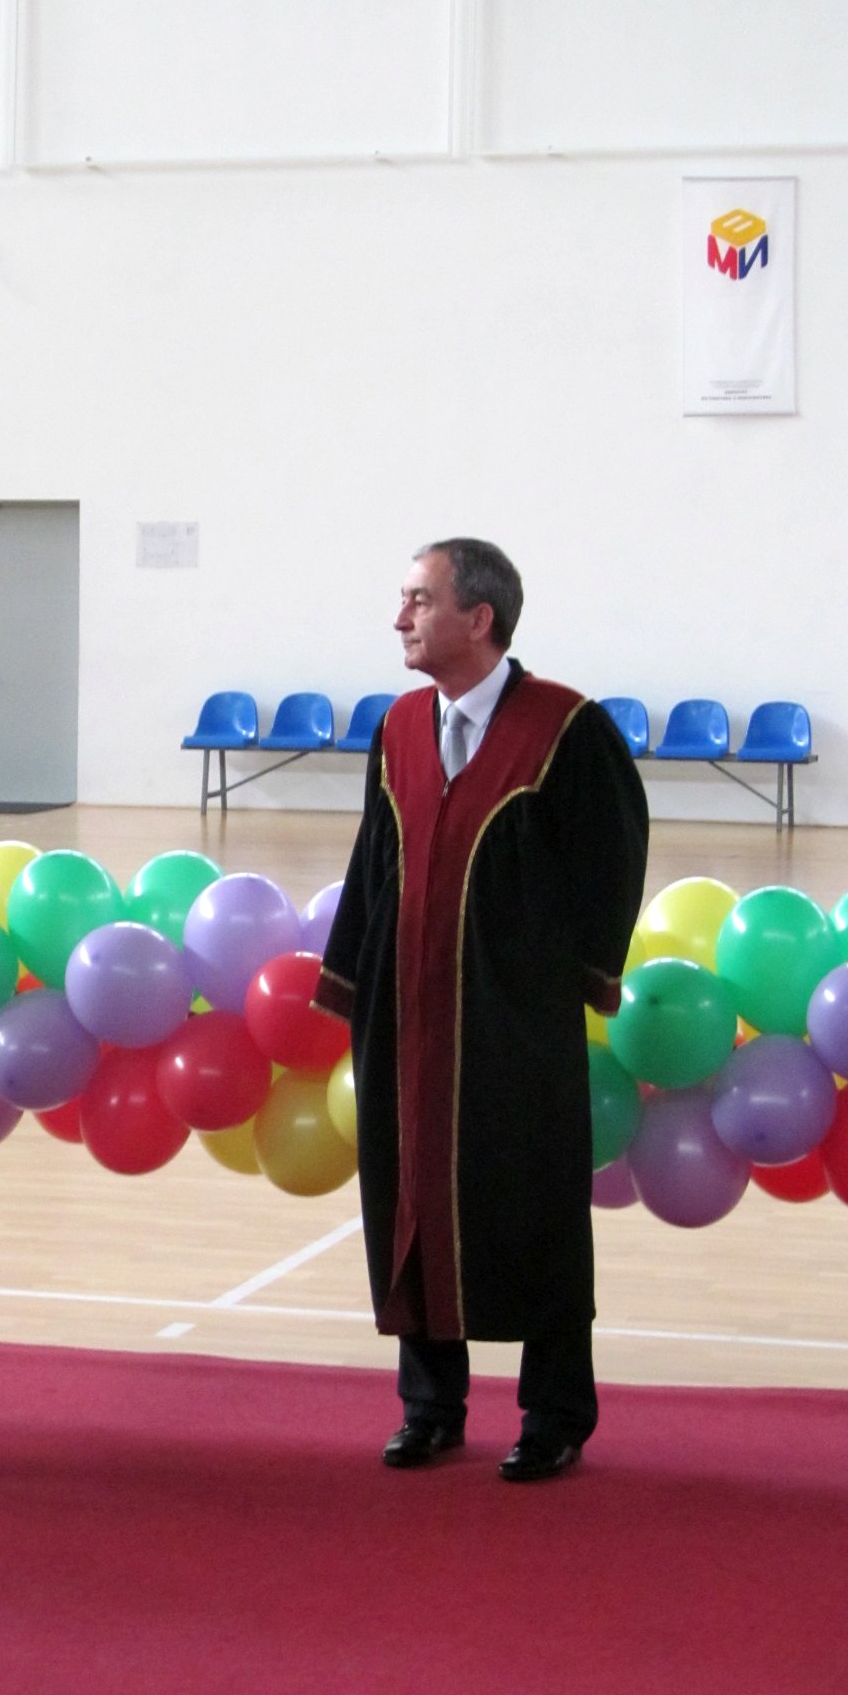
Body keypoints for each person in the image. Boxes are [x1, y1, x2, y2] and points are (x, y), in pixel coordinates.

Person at [316, 539, 647, 1482]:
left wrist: (558, 980)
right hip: (407, 1012)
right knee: (410, 1200)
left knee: (536, 1210)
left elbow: (611, 859)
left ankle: (554, 1415)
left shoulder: (566, 727)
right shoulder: (399, 727)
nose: (400, 618)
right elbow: (372, 860)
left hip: (514, 1024)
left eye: (419, 600)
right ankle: (430, 1407)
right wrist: (350, 982)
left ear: (480, 618)